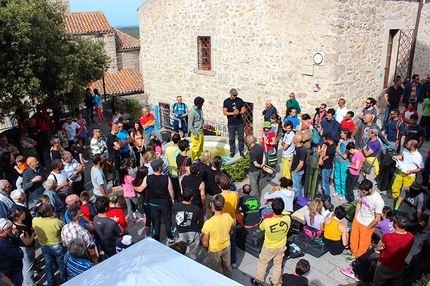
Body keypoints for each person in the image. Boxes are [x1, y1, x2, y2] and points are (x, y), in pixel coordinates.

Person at [250, 197, 291, 286]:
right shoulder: (288, 219)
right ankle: (275, 281)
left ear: (272, 208)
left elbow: (261, 228)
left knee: (263, 263)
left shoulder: (267, 221)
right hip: (281, 246)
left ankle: (259, 281)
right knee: (278, 264)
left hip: (269, 247)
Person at [135, 159, 175, 242]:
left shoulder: (148, 178)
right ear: (159, 168)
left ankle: (156, 237)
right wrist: (172, 199)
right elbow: (171, 191)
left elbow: (140, 188)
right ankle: (170, 236)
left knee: (156, 222)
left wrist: (131, 187)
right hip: (164, 203)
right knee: (167, 220)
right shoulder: (166, 178)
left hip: (153, 204)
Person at [372, 213, 414, 286]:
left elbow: (379, 247)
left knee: (377, 283)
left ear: (396, 224)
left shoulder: (388, 236)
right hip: (399, 267)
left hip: (384, 265)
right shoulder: (411, 237)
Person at [348, 179, 384, 262]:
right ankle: (354, 253)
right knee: (354, 238)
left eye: (364, 192)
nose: (362, 193)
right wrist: (355, 217)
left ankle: (360, 258)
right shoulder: (362, 193)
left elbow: (377, 217)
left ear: (370, 189)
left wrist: (369, 226)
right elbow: (359, 203)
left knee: (363, 243)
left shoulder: (378, 201)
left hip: (367, 224)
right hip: (358, 220)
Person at [32, 203, 66, 286]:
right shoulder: (56, 222)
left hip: (44, 246)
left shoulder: (35, 220)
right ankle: (63, 280)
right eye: (51, 209)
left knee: (48, 264)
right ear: (48, 212)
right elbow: (64, 227)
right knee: (61, 263)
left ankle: (50, 282)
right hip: (57, 245)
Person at [201, 194, 234, 278]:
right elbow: (231, 231)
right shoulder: (228, 217)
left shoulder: (209, 223)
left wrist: (206, 248)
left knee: (216, 271)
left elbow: (204, 241)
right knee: (227, 267)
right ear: (224, 205)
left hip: (214, 250)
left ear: (212, 205)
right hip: (226, 246)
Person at [8, 207, 36, 286]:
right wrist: (33, 234)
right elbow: (27, 242)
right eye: (22, 213)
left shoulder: (14, 225)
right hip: (26, 250)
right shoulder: (22, 230)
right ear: (17, 217)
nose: (24, 213)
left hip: (20, 248)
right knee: (28, 268)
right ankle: (30, 284)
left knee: (26, 267)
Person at [172, 187, 203, 260]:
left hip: (181, 231)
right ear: (192, 198)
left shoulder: (176, 206)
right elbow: (199, 219)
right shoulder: (196, 209)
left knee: (180, 250)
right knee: (193, 253)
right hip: (193, 232)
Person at [217, 174, 239, 268]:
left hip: (222, 223)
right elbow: (237, 208)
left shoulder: (218, 197)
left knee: (223, 243)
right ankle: (233, 261)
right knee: (233, 242)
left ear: (220, 186)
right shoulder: (236, 194)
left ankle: (225, 262)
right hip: (233, 221)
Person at [0, 218, 26, 286]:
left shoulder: (6, 237)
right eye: (10, 228)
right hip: (12, 272)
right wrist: (18, 248)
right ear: (3, 231)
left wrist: (15, 235)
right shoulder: (4, 245)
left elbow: (16, 242)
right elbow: (19, 254)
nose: (12, 229)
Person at [223, 88, 246, 158]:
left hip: (240, 123)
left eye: (236, 95)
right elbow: (224, 112)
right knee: (231, 138)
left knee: (241, 137)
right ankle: (232, 151)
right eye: (233, 95)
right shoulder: (226, 101)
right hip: (231, 123)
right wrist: (233, 113)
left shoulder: (240, 100)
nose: (235, 96)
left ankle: (241, 151)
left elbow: (244, 110)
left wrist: (239, 112)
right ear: (230, 94)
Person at [333, 129, 353, 201]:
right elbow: (337, 150)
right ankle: (338, 190)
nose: (341, 134)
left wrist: (339, 153)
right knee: (337, 175)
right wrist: (339, 143)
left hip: (344, 162)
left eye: (342, 133)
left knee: (343, 178)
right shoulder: (341, 141)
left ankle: (344, 194)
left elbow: (345, 156)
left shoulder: (349, 142)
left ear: (346, 134)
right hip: (338, 160)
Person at [319, 132, 336, 198]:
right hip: (326, 166)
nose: (324, 141)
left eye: (324, 140)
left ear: (328, 139)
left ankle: (327, 197)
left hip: (327, 167)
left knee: (325, 184)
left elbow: (325, 157)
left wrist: (321, 158)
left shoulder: (331, 148)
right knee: (324, 183)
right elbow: (322, 153)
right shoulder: (329, 144)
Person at [188, 96, 205, 160]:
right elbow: (190, 125)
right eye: (202, 103)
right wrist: (195, 134)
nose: (202, 105)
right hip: (196, 133)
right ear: (198, 104)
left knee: (200, 147)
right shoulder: (192, 113)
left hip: (201, 131)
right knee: (196, 148)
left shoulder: (200, 109)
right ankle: (195, 159)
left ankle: (200, 158)